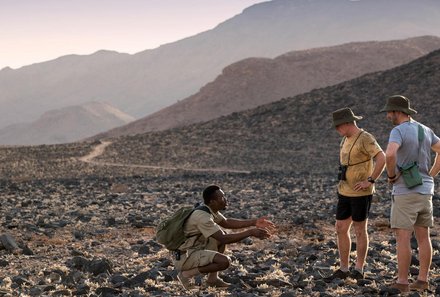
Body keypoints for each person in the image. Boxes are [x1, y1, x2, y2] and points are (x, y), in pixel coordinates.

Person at [381, 95, 440, 293]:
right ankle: (423, 280)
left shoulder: (398, 131)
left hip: (406, 192)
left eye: (390, 112)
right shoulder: (425, 129)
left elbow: (389, 154)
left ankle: (403, 282)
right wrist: (431, 174)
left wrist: (391, 176)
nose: (388, 115)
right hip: (426, 191)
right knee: (423, 237)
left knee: (403, 237)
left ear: (397, 112)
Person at [173, 185, 276, 290]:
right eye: (221, 198)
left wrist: (254, 222)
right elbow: (224, 238)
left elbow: (226, 222)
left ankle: (212, 280)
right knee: (224, 262)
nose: (225, 200)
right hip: (185, 256)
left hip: (193, 248)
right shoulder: (202, 216)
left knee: (219, 235)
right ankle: (186, 274)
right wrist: (250, 232)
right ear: (212, 201)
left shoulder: (207, 208)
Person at [325, 107, 385, 282]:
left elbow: (381, 158)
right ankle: (344, 268)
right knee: (340, 228)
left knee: (359, 229)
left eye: (338, 126)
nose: (337, 130)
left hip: (361, 192)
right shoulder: (344, 139)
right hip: (344, 190)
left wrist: (371, 180)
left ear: (346, 123)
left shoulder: (365, 138)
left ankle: (358, 269)